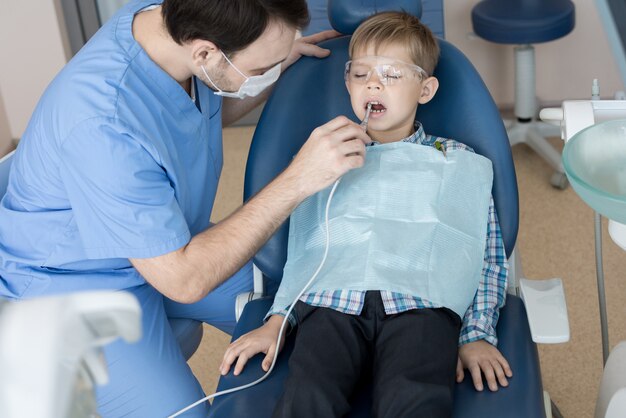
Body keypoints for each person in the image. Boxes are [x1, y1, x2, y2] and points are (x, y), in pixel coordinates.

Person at [0, 0, 372, 416]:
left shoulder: (166, 20)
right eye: (262, 63)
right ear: (205, 54)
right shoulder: (102, 123)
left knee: (316, 299)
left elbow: (194, 114)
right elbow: (184, 280)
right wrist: (298, 178)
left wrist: (272, 68)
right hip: (74, 287)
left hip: (164, 241)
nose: (272, 67)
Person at [220, 11, 513, 418]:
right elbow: (305, 249)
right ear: (346, 82)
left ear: (425, 90)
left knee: (414, 397)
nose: (373, 83)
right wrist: (277, 320)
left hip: (421, 306)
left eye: (392, 74)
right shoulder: (323, 156)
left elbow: (484, 257)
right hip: (330, 307)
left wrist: (476, 334)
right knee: (308, 395)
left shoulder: (457, 163)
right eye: (360, 74)